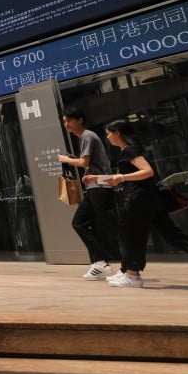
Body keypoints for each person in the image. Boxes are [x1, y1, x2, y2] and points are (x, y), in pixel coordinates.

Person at [85, 119, 188, 292]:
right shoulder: (127, 151)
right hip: (148, 200)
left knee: (131, 236)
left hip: (140, 201)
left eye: (108, 133)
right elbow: (126, 178)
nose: (107, 137)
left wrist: (121, 177)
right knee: (173, 237)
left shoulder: (129, 150)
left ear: (117, 133)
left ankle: (132, 275)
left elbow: (147, 172)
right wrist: (99, 180)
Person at [57, 107, 120, 280]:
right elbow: (87, 162)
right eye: (64, 121)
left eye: (69, 120)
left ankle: (105, 263)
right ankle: (100, 262)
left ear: (80, 120)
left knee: (91, 224)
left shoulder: (87, 136)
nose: (66, 124)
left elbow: (84, 161)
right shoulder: (86, 137)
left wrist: (66, 160)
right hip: (96, 188)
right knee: (86, 224)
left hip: (99, 187)